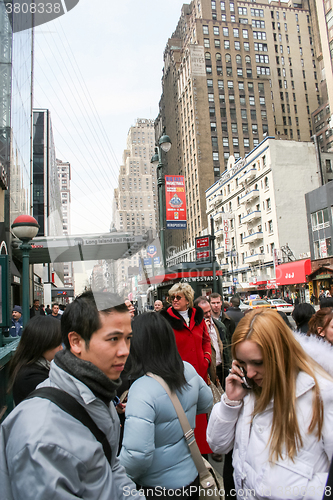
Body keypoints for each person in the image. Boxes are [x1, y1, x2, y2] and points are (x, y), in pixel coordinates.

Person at [0, 291, 142, 500]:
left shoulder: (96, 393)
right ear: (75, 342)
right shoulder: (41, 436)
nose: (124, 351)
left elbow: (111, 468)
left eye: (128, 338)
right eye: (113, 339)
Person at [207, 308, 333, 500]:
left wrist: (298, 491)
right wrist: (230, 402)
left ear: (281, 355)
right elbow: (218, 445)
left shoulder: (323, 395)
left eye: (258, 362)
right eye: (242, 363)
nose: (249, 373)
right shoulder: (247, 390)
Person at [119, 312, 213, 499]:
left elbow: (137, 456)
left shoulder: (141, 389)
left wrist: (117, 476)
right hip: (192, 476)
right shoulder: (187, 369)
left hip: (157, 487)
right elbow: (206, 402)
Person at [160, 282, 211, 455]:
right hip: (178, 377)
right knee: (182, 417)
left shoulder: (198, 317)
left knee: (200, 416)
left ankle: (203, 456)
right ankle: (185, 455)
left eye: (178, 297)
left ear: (187, 300)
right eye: (171, 297)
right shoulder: (165, 320)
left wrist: (207, 358)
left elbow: (206, 340)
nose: (174, 300)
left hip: (200, 373)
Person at [8, 316, 63, 405]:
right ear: (45, 344)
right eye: (58, 344)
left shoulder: (30, 367)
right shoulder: (32, 378)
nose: (61, 348)